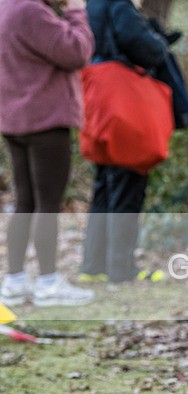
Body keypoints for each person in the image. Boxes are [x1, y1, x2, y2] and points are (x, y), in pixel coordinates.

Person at [0, 0, 95, 307]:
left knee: (25, 201)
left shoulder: (6, 7)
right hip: (44, 119)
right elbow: (77, 51)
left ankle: (14, 281)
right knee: (47, 203)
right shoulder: (31, 11)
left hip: (15, 119)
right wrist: (76, 10)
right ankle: (48, 283)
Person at [79, 0, 168, 284]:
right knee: (127, 181)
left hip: (97, 96)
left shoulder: (92, 5)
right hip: (122, 102)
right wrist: (159, 44)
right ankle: (121, 269)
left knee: (104, 184)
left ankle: (93, 267)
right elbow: (138, 41)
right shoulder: (119, 3)